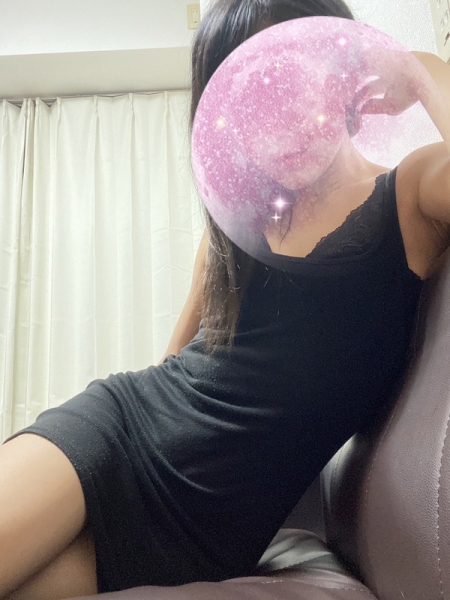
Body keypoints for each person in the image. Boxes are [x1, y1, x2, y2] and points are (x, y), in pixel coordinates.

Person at [1, 1, 449, 598]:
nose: (276, 123)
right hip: (117, 432)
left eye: (290, 82)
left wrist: (423, 73)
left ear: (342, 67)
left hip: (205, 531)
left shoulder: (412, 193)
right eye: (248, 102)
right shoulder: (239, 224)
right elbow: (173, 361)